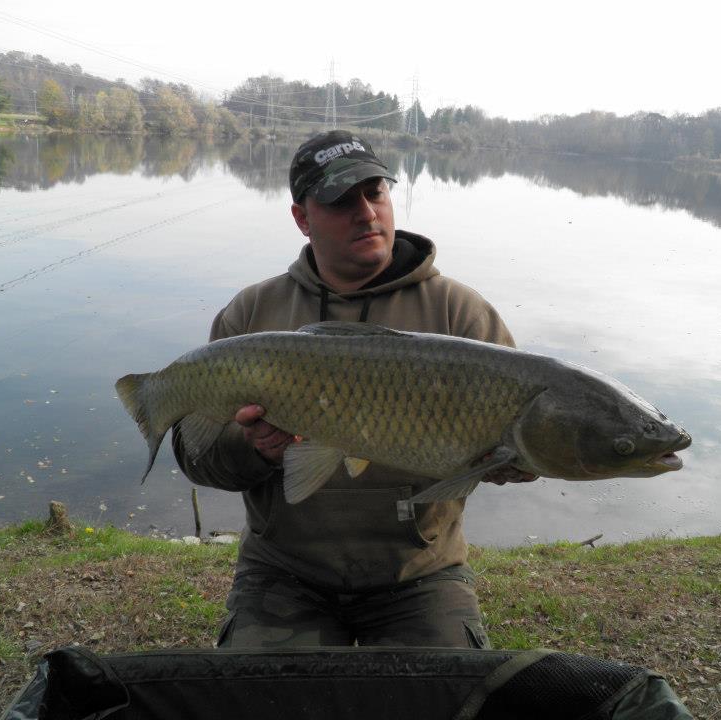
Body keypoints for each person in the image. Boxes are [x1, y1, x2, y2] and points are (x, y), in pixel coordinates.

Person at [173, 130, 535, 649]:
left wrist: (511, 462)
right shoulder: (253, 315)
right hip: (283, 573)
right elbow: (197, 456)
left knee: (448, 690)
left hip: (419, 573)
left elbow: (524, 443)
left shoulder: (460, 314)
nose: (366, 213)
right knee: (261, 690)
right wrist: (256, 450)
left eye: (375, 192)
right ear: (302, 218)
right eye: (341, 201)